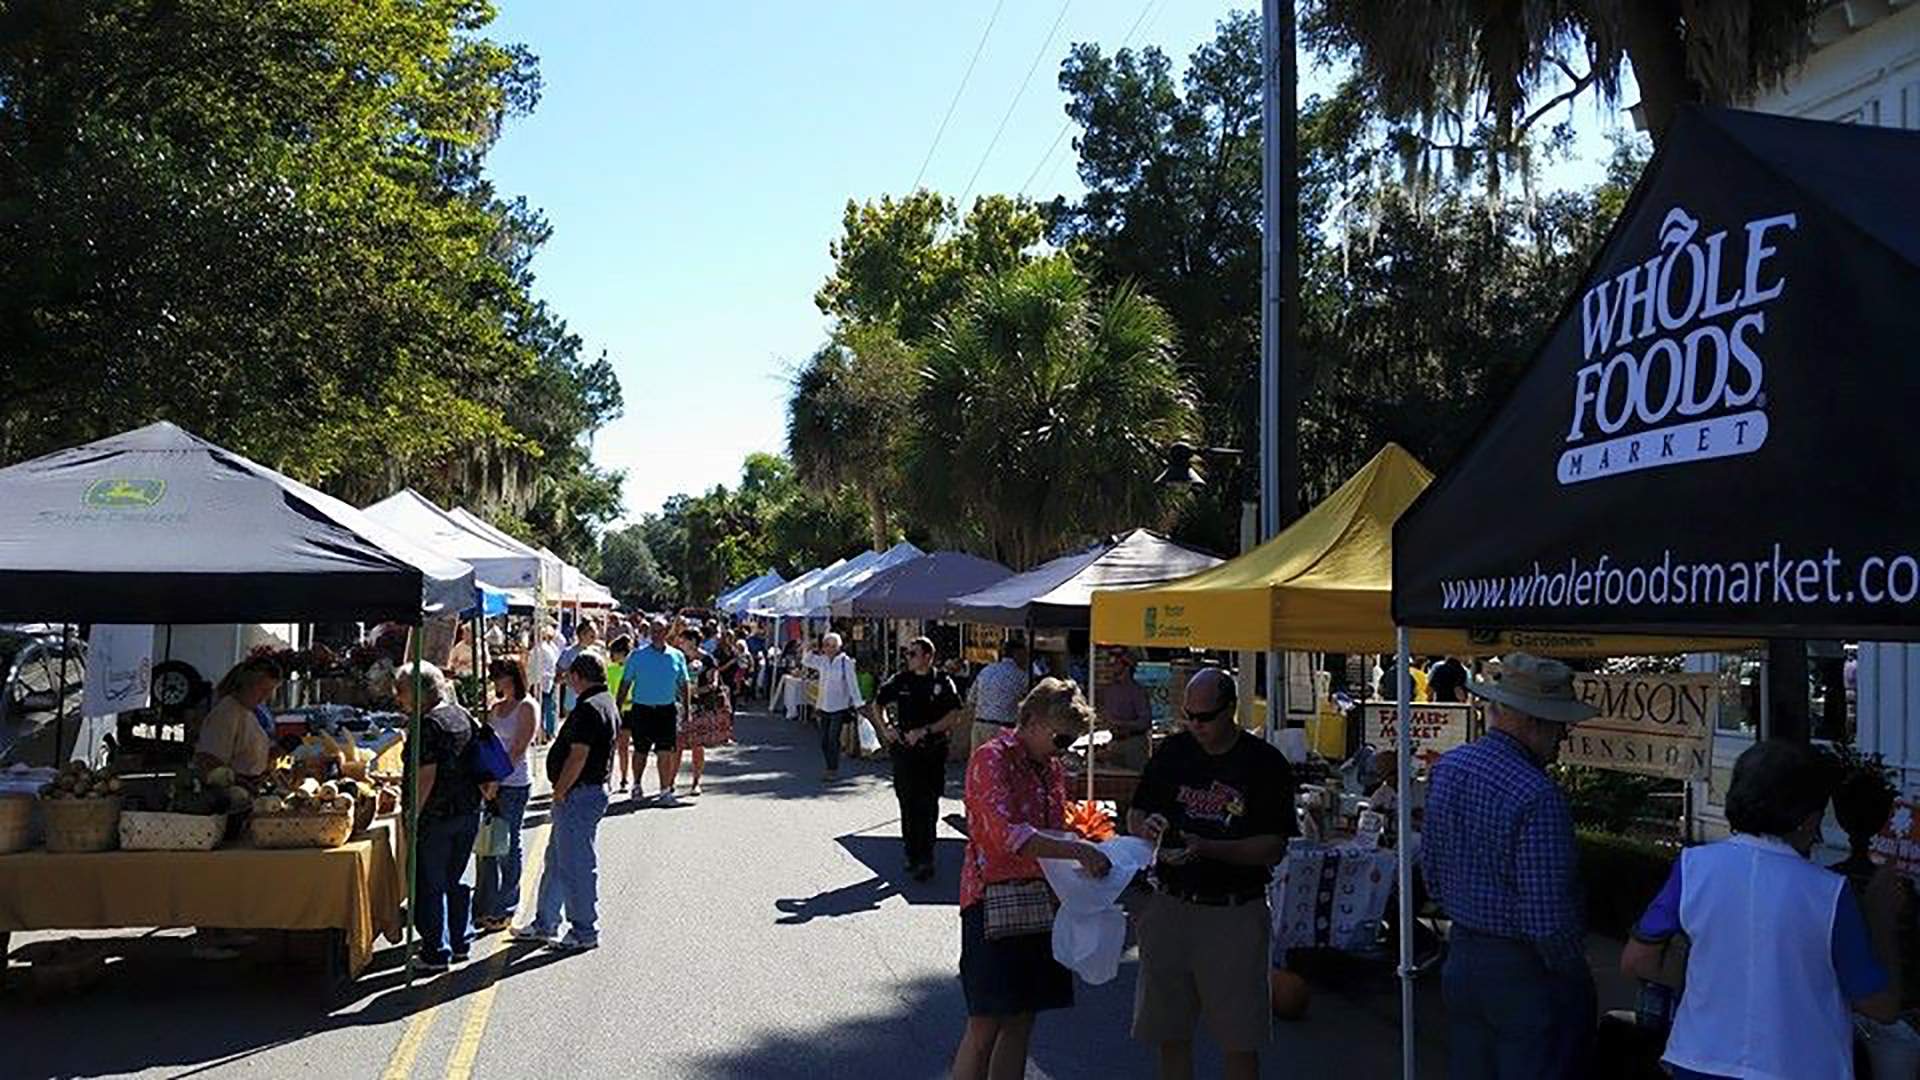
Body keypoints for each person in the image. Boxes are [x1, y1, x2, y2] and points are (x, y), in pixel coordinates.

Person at [1622, 740, 1899, 1079]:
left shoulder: (1692, 868)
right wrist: (1882, 920)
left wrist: (1708, 984)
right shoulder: (1828, 892)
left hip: (1697, 1059)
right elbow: (1881, 1005)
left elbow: (1639, 960)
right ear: (1807, 819)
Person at [1423, 652, 1599, 1080]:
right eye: (1560, 725)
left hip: (1463, 955)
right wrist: (1574, 972)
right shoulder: (1537, 795)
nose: (1563, 737)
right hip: (1521, 968)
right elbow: (1547, 920)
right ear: (1534, 722)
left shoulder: (1450, 769)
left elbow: (1432, 873)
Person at [1127, 669, 1298, 1080]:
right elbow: (1135, 812)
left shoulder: (1263, 762)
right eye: (1189, 715)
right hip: (1171, 903)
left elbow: (1273, 846)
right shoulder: (1173, 752)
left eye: (1205, 717)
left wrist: (1209, 848)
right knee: (1169, 1031)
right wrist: (1145, 825)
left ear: (1230, 711)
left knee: (1239, 1037)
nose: (1195, 725)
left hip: (1233, 912)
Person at [953, 679, 1113, 1080]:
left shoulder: (1049, 767)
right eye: (1061, 739)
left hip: (1040, 901)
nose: (1064, 749)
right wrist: (1077, 851)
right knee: (985, 1023)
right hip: (992, 902)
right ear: (1034, 721)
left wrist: (1086, 844)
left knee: (1022, 1019)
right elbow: (1006, 835)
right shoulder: (993, 758)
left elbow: (1053, 830)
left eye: (1071, 742)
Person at [513, 652, 616, 952]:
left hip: (579, 793)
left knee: (576, 865)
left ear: (579, 676)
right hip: (585, 792)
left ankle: (584, 929)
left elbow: (578, 755)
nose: (568, 682)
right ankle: (545, 922)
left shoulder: (589, 708)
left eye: (571, 676)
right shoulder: (603, 701)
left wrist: (560, 789)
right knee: (558, 860)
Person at [397, 661, 484, 973]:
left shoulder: (428, 724)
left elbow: (426, 776)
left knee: (430, 882)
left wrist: (412, 814)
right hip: (468, 809)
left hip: (437, 813)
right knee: (455, 878)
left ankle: (436, 951)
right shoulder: (462, 714)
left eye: (402, 691)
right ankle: (460, 941)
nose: (398, 698)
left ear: (421, 692)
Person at [869, 637, 966, 880]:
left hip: (932, 751)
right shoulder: (901, 680)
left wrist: (926, 730)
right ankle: (911, 853)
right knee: (907, 802)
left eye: (913, 654)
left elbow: (954, 714)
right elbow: (877, 704)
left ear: (927, 656)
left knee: (928, 803)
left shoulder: (942, 681)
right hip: (904, 752)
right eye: (907, 654)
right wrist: (887, 728)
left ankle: (926, 857)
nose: (908, 658)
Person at [473, 658, 538, 933]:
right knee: (487, 846)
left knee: (508, 844)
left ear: (512, 677)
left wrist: (497, 781)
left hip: (513, 784)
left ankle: (507, 905)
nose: (496, 682)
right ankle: (485, 904)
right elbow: (487, 744)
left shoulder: (527, 707)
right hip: (492, 783)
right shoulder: (495, 708)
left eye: (499, 676)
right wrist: (485, 780)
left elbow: (518, 748)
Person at [619, 616, 690, 805]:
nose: (656, 634)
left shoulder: (677, 656)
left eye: (659, 631)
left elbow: (684, 684)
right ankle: (636, 785)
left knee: (665, 751)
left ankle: (665, 790)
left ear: (667, 632)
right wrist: (617, 708)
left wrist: (687, 709)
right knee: (640, 750)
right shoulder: (637, 655)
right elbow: (625, 683)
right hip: (642, 709)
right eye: (653, 631)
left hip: (666, 710)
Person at [193, 656, 284, 782]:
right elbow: (209, 761)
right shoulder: (226, 712)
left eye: (270, 691)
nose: (265, 697)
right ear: (246, 683)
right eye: (263, 690)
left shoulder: (247, 711)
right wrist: (239, 782)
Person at [678, 627, 732, 797]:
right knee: (677, 745)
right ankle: (669, 783)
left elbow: (714, 684)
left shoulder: (708, 660)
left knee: (697, 745)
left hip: (700, 706)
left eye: (684, 640)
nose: (681, 643)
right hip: (681, 705)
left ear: (693, 641)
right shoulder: (680, 658)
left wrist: (697, 691)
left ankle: (696, 782)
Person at [804, 632, 864, 783]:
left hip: (839, 706)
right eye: (827, 645)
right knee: (824, 740)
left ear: (839, 647)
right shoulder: (822, 661)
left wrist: (858, 704)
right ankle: (829, 765)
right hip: (823, 706)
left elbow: (852, 684)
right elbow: (806, 661)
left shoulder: (845, 662)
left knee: (833, 739)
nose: (830, 648)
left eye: (833, 645)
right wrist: (811, 648)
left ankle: (832, 769)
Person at [966, 640, 1030, 755]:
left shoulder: (986, 671)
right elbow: (1029, 702)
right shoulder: (1020, 676)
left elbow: (971, 699)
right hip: (1002, 728)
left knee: (978, 766)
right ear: (1017, 654)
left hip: (980, 725)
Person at [1098, 648, 1154, 771]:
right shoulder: (1109, 690)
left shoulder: (1137, 691)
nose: (1111, 667)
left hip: (1134, 743)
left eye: (1115, 664)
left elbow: (1146, 722)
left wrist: (1122, 724)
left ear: (1127, 666)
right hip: (1115, 742)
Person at [605, 635, 633, 791]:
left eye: (614, 652)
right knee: (611, 746)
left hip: (629, 711)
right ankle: (607, 778)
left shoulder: (632, 669)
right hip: (614, 710)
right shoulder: (610, 669)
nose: (611, 656)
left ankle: (624, 778)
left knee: (624, 746)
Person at [529, 625, 562, 741]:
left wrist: (533, 684)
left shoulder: (538, 650)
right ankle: (547, 733)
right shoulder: (549, 648)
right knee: (548, 709)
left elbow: (534, 670)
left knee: (540, 711)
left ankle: (542, 734)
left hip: (540, 684)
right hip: (547, 682)